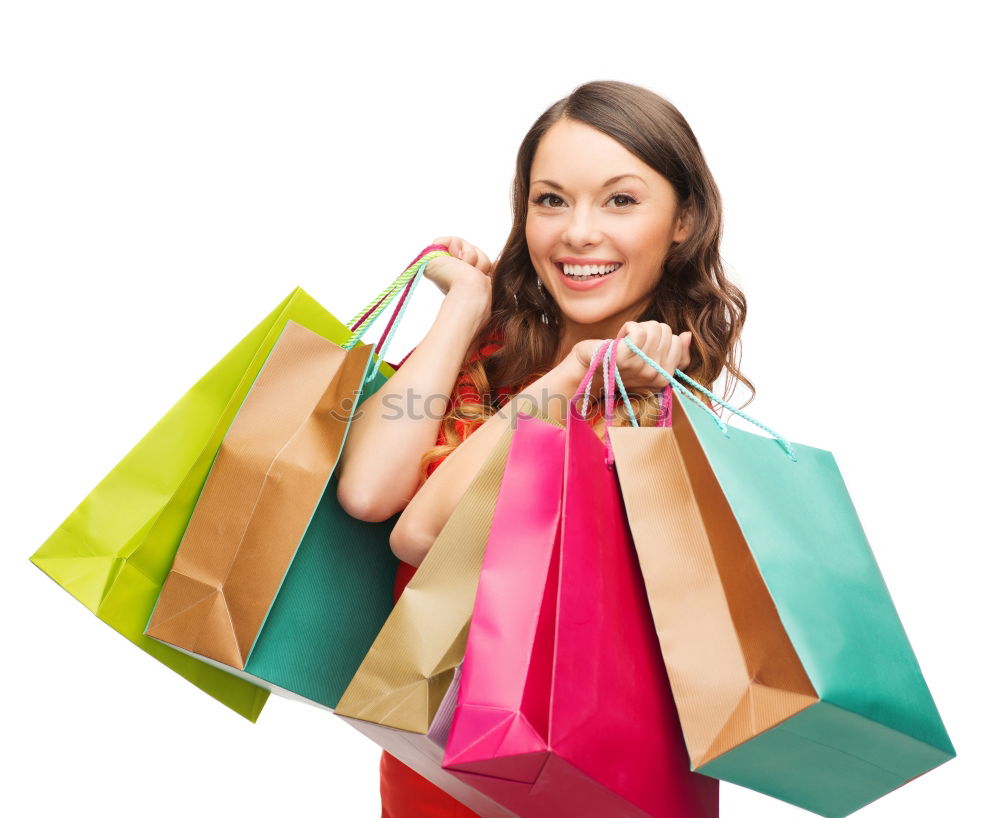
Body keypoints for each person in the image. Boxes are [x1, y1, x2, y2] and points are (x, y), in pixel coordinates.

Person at [336, 78, 753, 818]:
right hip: (434, 761)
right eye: (550, 199)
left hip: (576, 781)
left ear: (683, 220)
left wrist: (572, 378)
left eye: (620, 201)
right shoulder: (490, 349)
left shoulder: (661, 414)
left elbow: (423, 532)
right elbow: (368, 492)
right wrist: (463, 313)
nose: (577, 232)